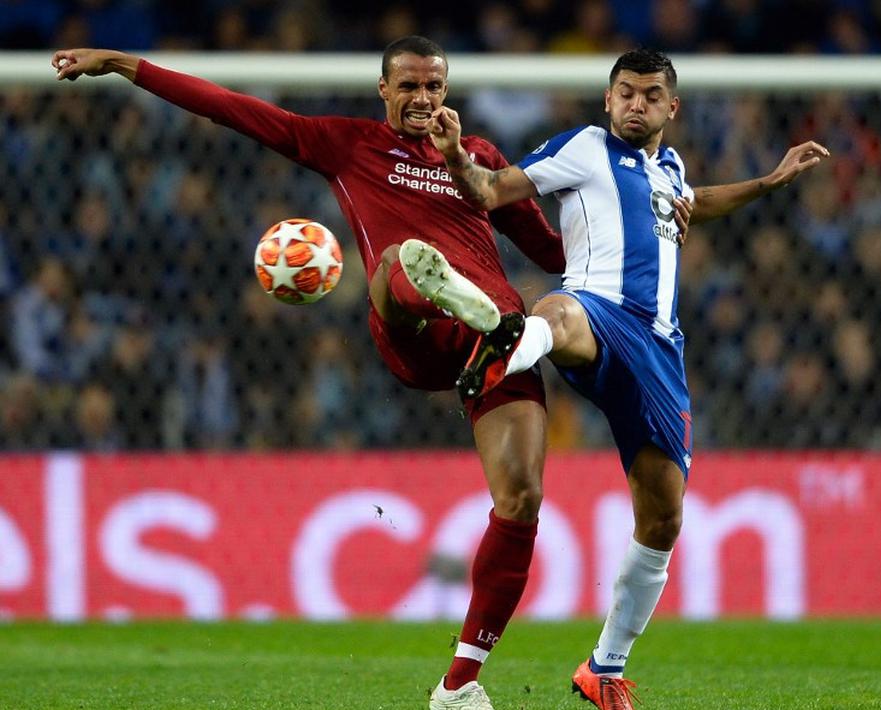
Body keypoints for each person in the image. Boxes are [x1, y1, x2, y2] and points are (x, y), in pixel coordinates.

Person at [54, 37, 565, 710]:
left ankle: (459, 687)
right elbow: (231, 108)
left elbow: (552, 251)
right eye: (408, 85)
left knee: (521, 499)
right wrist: (126, 66)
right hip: (412, 332)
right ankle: (447, 291)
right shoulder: (345, 144)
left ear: (446, 91)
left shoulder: (482, 162)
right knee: (396, 264)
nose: (421, 98)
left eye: (433, 86)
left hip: (495, 343)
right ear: (383, 90)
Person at [429, 48, 827, 708]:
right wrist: (452, 155)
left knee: (663, 516)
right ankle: (506, 346)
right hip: (599, 310)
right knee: (559, 307)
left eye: (648, 94)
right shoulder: (583, 148)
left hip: (660, 353)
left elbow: (693, 205)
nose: (634, 103)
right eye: (624, 93)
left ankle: (603, 668)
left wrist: (766, 182)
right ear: (607, 101)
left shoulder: (668, 168)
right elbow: (492, 191)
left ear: (671, 107)